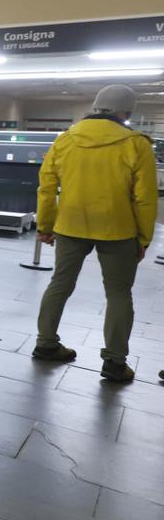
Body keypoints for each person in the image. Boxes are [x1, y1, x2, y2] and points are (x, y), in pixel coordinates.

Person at [33, 84, 157, 382]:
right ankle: (115, 362)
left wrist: (45, 225)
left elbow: (47, 186)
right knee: (118, 293)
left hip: (70, 224)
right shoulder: (136, 144)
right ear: (125, 112)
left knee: (60, 283)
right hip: (118, 229)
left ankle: (46, 343)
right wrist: (143, 238)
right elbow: (144, 198)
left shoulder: (65, 140)